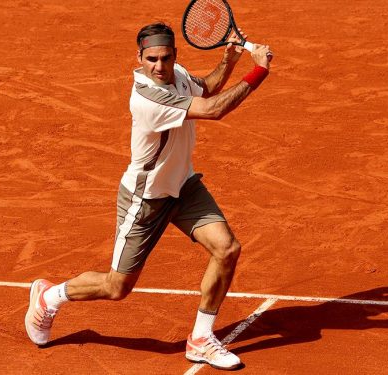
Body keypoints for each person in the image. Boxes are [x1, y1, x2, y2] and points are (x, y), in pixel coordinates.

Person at [24, 22, 272, 370]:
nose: (159, 66)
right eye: (151, 59)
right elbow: (213, 109)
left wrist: (228, 61)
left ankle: (201, 338)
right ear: (139, 58)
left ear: (175, 55)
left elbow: (206, 89)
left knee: (227, 248)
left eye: (166, 58)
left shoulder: (178, 74)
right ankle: (50, 296)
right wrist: (258, 69)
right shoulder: (147, 96)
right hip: (146, 198)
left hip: (183, 187)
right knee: (116, 287)